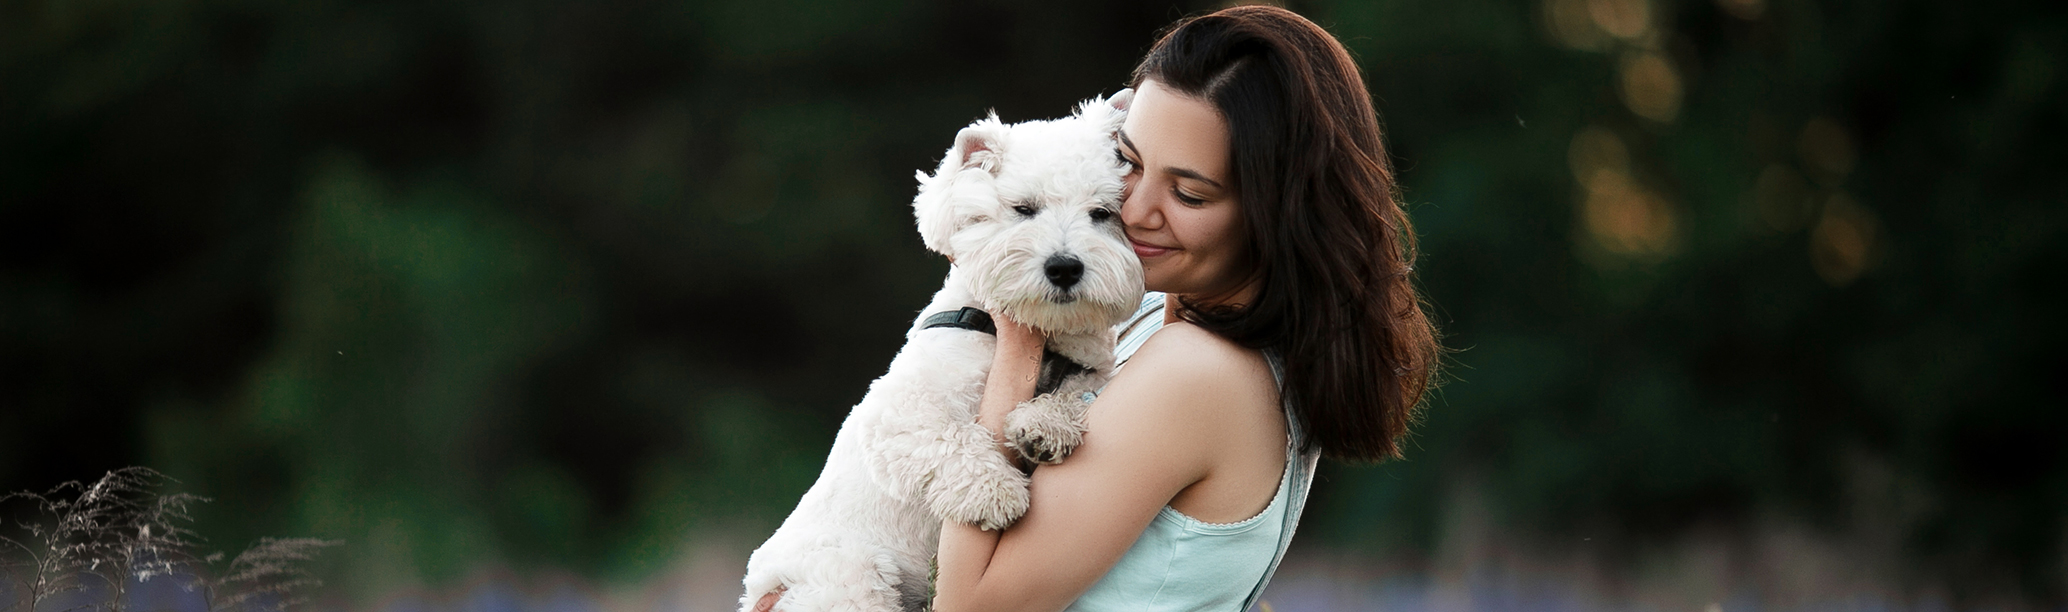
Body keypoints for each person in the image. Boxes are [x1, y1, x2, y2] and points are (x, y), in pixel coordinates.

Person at [928, 5, 1442, 612]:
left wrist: (1016, 334)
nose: (1136, 210)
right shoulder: (1160, 317)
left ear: (1276, 216)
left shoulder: (1197, 371)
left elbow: (967, 607)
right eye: (1129, 162)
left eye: (1189, 193)